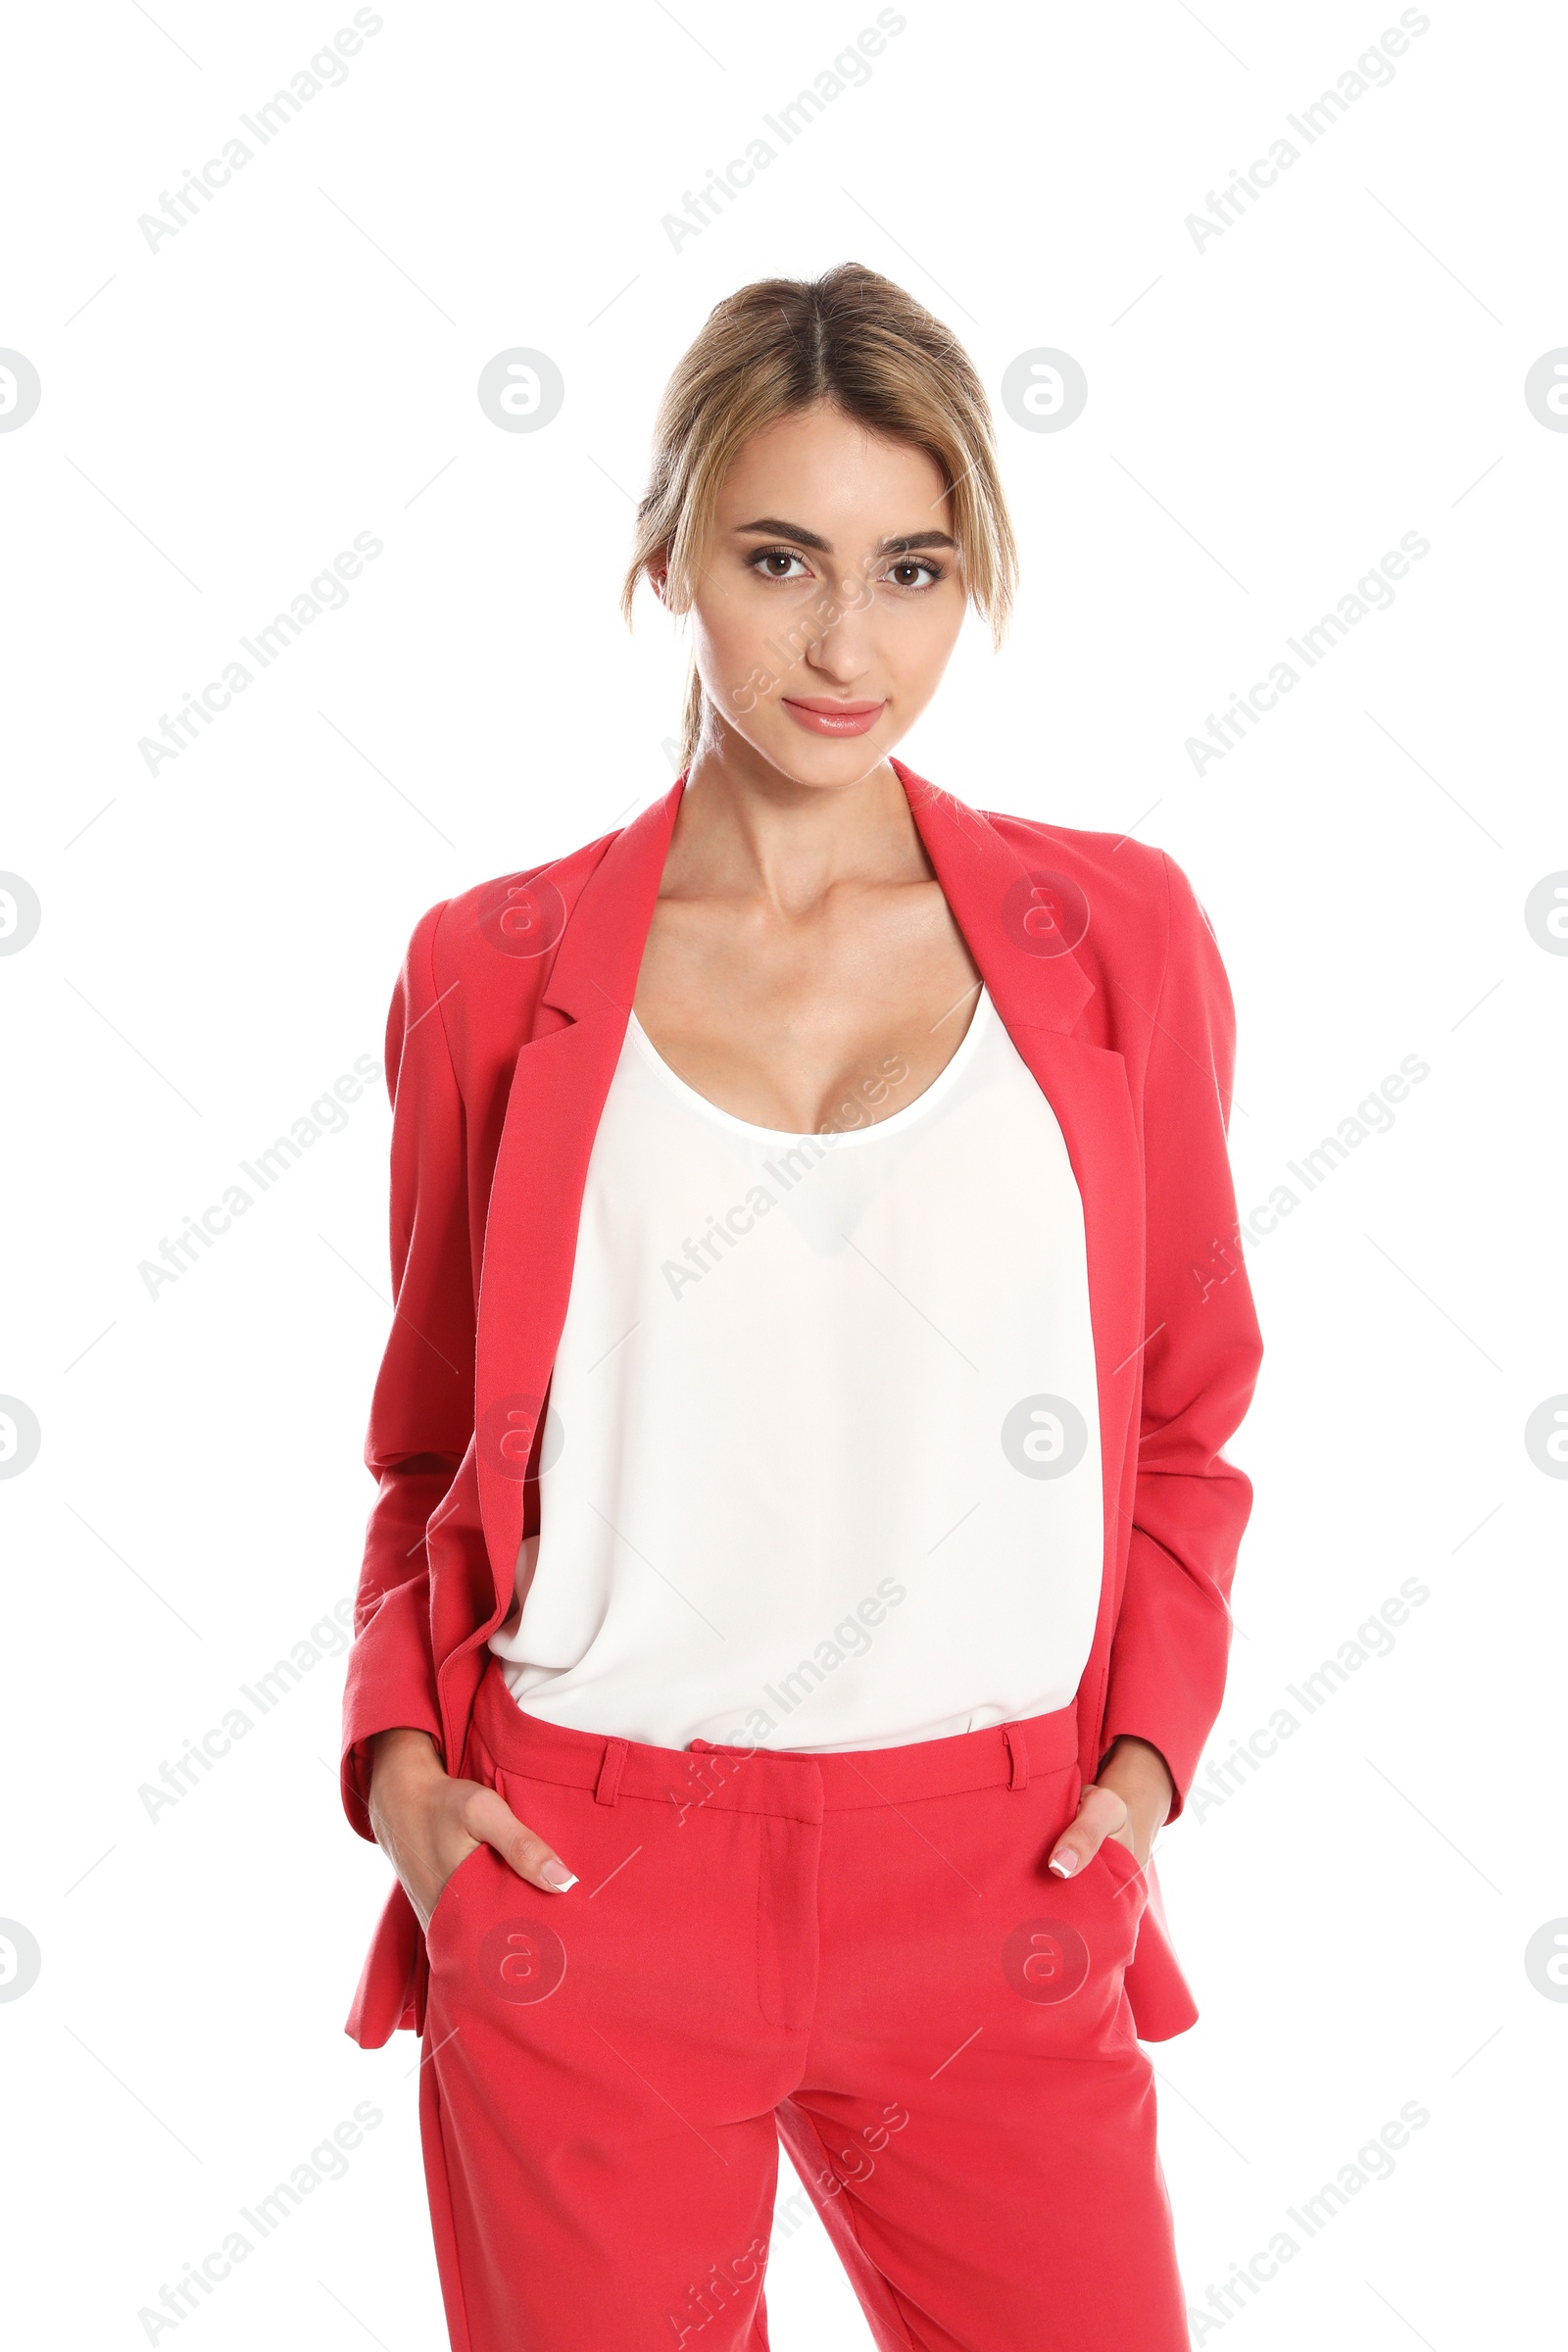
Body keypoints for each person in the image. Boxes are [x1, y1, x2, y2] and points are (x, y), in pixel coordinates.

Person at [340, 262, 1263, 2352]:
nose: (847, 645)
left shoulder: (1108, 938)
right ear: (666, 555)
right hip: (584, 1869)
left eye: (911, 569)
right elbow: (425, 1448)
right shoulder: (490, 968)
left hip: (1000, 1873)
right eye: (780, 559)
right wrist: (403, 1767)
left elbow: (1181, 1419)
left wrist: (1137, 1773)